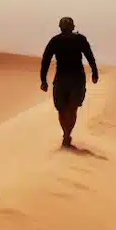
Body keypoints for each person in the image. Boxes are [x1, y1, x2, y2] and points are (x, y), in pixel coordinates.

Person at [40, 16, 98, 148]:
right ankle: (67, 134)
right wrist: (95, 72)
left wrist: (43, 80)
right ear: (72, 27)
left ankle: (66, 134)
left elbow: (46, 61)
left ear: (60, 27)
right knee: (71, 109)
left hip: (63, 79)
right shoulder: (79, 39)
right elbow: (90, 56)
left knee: (63, 109)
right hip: (75, 79)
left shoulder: (56, 40)